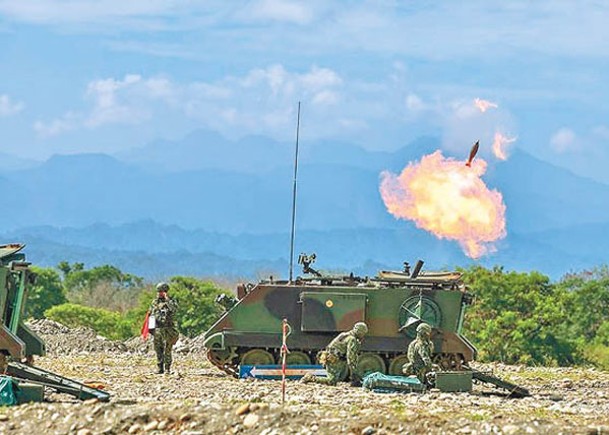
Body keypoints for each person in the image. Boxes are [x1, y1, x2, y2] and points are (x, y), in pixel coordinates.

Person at [302, 321, 368, 386]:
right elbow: (350, 357)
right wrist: (354, 373)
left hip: (330, 357)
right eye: (363, 333)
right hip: (334, 360)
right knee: (332, 381)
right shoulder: (352, 339)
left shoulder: (344, 334)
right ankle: (311, 378)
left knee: (336, 378)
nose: (363, 335)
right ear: (359, 332)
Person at [149, 282, 179, 374]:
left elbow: (174, 310)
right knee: (158, 349)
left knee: (167, 349)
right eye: (159, 291)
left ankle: (167, 368)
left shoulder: (171, 301)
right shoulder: (155, 302)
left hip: (168, 329)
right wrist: (151, 329)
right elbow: (151, 314)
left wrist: (168, 300)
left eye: (162, 291)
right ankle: (159, 368)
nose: (160, 293)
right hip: (158, 329)